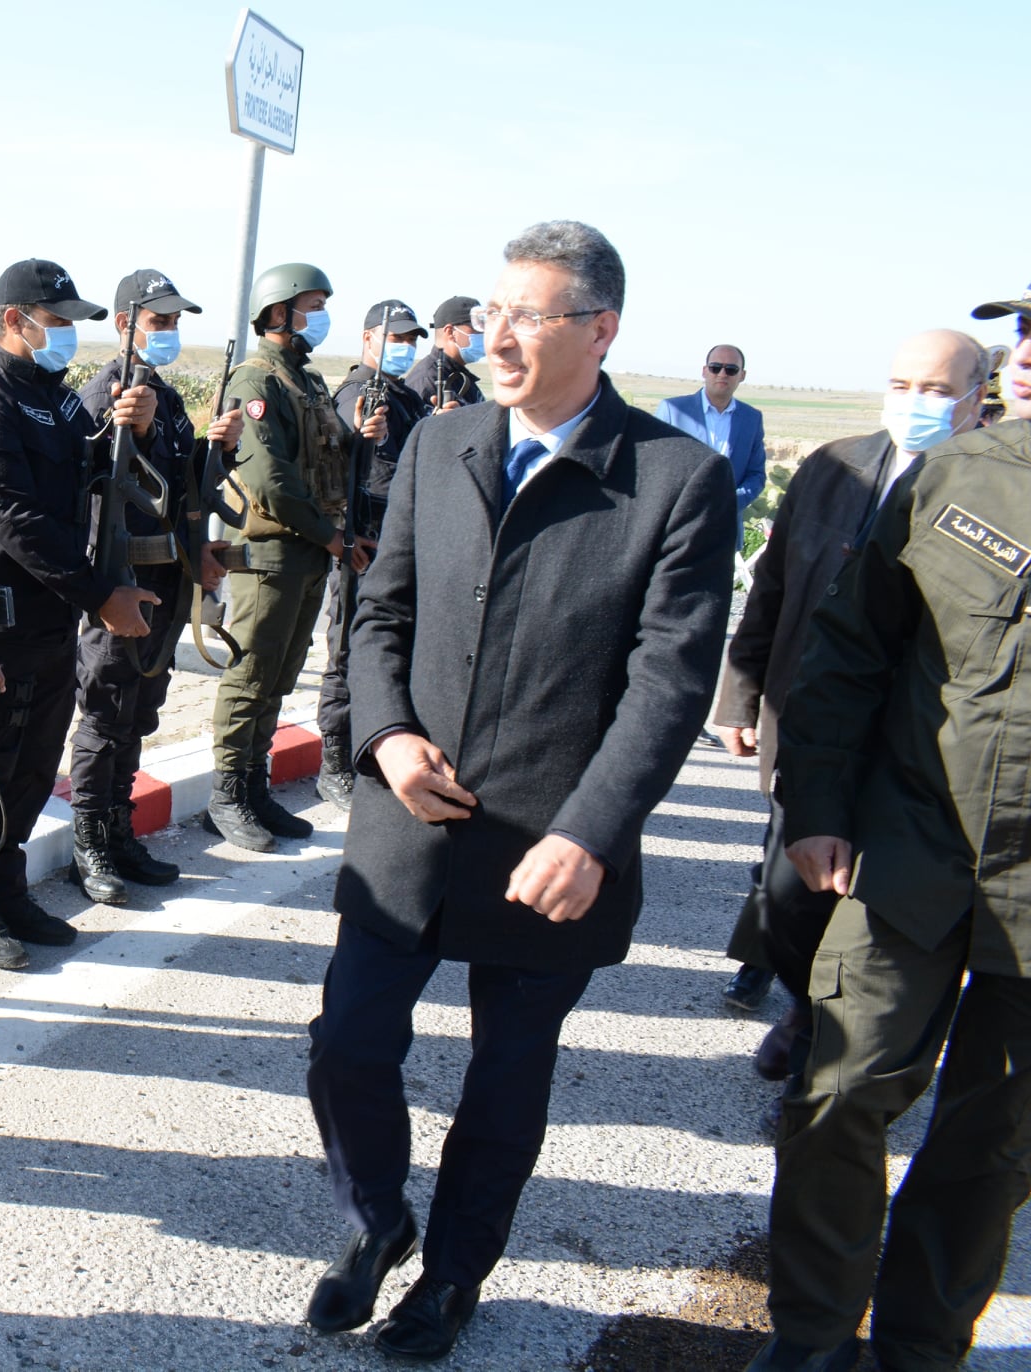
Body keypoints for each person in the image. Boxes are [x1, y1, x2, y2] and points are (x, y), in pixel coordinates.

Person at [304, 221, 735, 1362]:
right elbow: (380, 613)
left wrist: (593, 831)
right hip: (411, 817)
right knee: (347, 1041)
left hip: (553, 843)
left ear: (600, 331)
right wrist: (387, 736)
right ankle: (376, 1222)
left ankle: (450, 1278)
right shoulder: (443, 443)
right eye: (492, 310)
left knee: (505, 1080)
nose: (494, 334)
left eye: (527, 315)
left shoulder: (677, 480)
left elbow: (668, 684)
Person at [744, 269, 1031, 1372]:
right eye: (1029, 332)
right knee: (840, 1090)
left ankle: (921, 1346)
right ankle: (813, 1336)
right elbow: (851, 650)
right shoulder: (956, 475)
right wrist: (818, 805)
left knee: (991, 1141)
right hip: (912, 846)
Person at [712, 330, 986, 1083]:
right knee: (788, 898)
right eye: (903, 385)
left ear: (975, 398)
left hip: (917, 747)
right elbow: (772, 585)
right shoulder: (834, 467)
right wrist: (740, 692)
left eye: (935, 390)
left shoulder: (987, 488)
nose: (914, 403)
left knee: (877, 918)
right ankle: (805, 1006)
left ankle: (831, 1061)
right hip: (805, 726)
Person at [0, 259, 158, 968]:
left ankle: (7, 884)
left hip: (49, 616)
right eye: (57, 322)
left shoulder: (57, 398)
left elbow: (94, 469)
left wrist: (137, 427)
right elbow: (15, 515)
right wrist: (99, 594)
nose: (66, 335)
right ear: (16, 321)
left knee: (34, 762)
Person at [67, 269, 241, 902]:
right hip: (121, 578)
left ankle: (118, 827)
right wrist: (125, 430)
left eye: (173, 323)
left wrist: (217, 448)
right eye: (159, 321)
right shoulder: (104, 393)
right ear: (125, 325)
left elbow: (180, 489)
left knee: (140, 710)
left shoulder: (161, 396)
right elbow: (84, 476)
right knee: (106, 708)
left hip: (166, 575)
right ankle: (89, 836)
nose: (168, 332)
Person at [206, 262, 383, 852]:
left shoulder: (303, 381)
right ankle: (227, 793)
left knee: (278, 678)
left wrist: (355, 436)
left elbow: (315, 460)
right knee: (251, 673)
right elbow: (271, 481)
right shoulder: (255, 383)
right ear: (278, 312)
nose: (320, 315)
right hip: (271, 555)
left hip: (307, 553)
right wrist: (331, 539)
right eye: (312, 304)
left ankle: (254, 788)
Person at [315, 300, 431, 809]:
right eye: (396, 338)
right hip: (364, 542)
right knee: (346, 650)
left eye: (411, 340)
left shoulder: (403, 397)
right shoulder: (357, 393)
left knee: (386, 650)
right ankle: (334, 762)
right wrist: (365, 436)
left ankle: (366, 752)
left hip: (396, 542)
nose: (405, 348)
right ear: (368, 339)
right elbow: (345, 468)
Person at [656, 344, 768, 549]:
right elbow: (654, 467)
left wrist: (728, 502)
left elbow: (757, 475)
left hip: (725, 533)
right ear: (704, 371)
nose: (722, 374)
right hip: (675, 530)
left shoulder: (752, 418)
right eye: (715, 367)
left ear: (742, 375)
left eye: (731, 369)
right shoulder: (673, 410)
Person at [403, 295, 485, 410]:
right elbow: (420, 427)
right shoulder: (427, 381)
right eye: (476, 329)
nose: (483, 335)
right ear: (451, 332)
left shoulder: (460, 377)